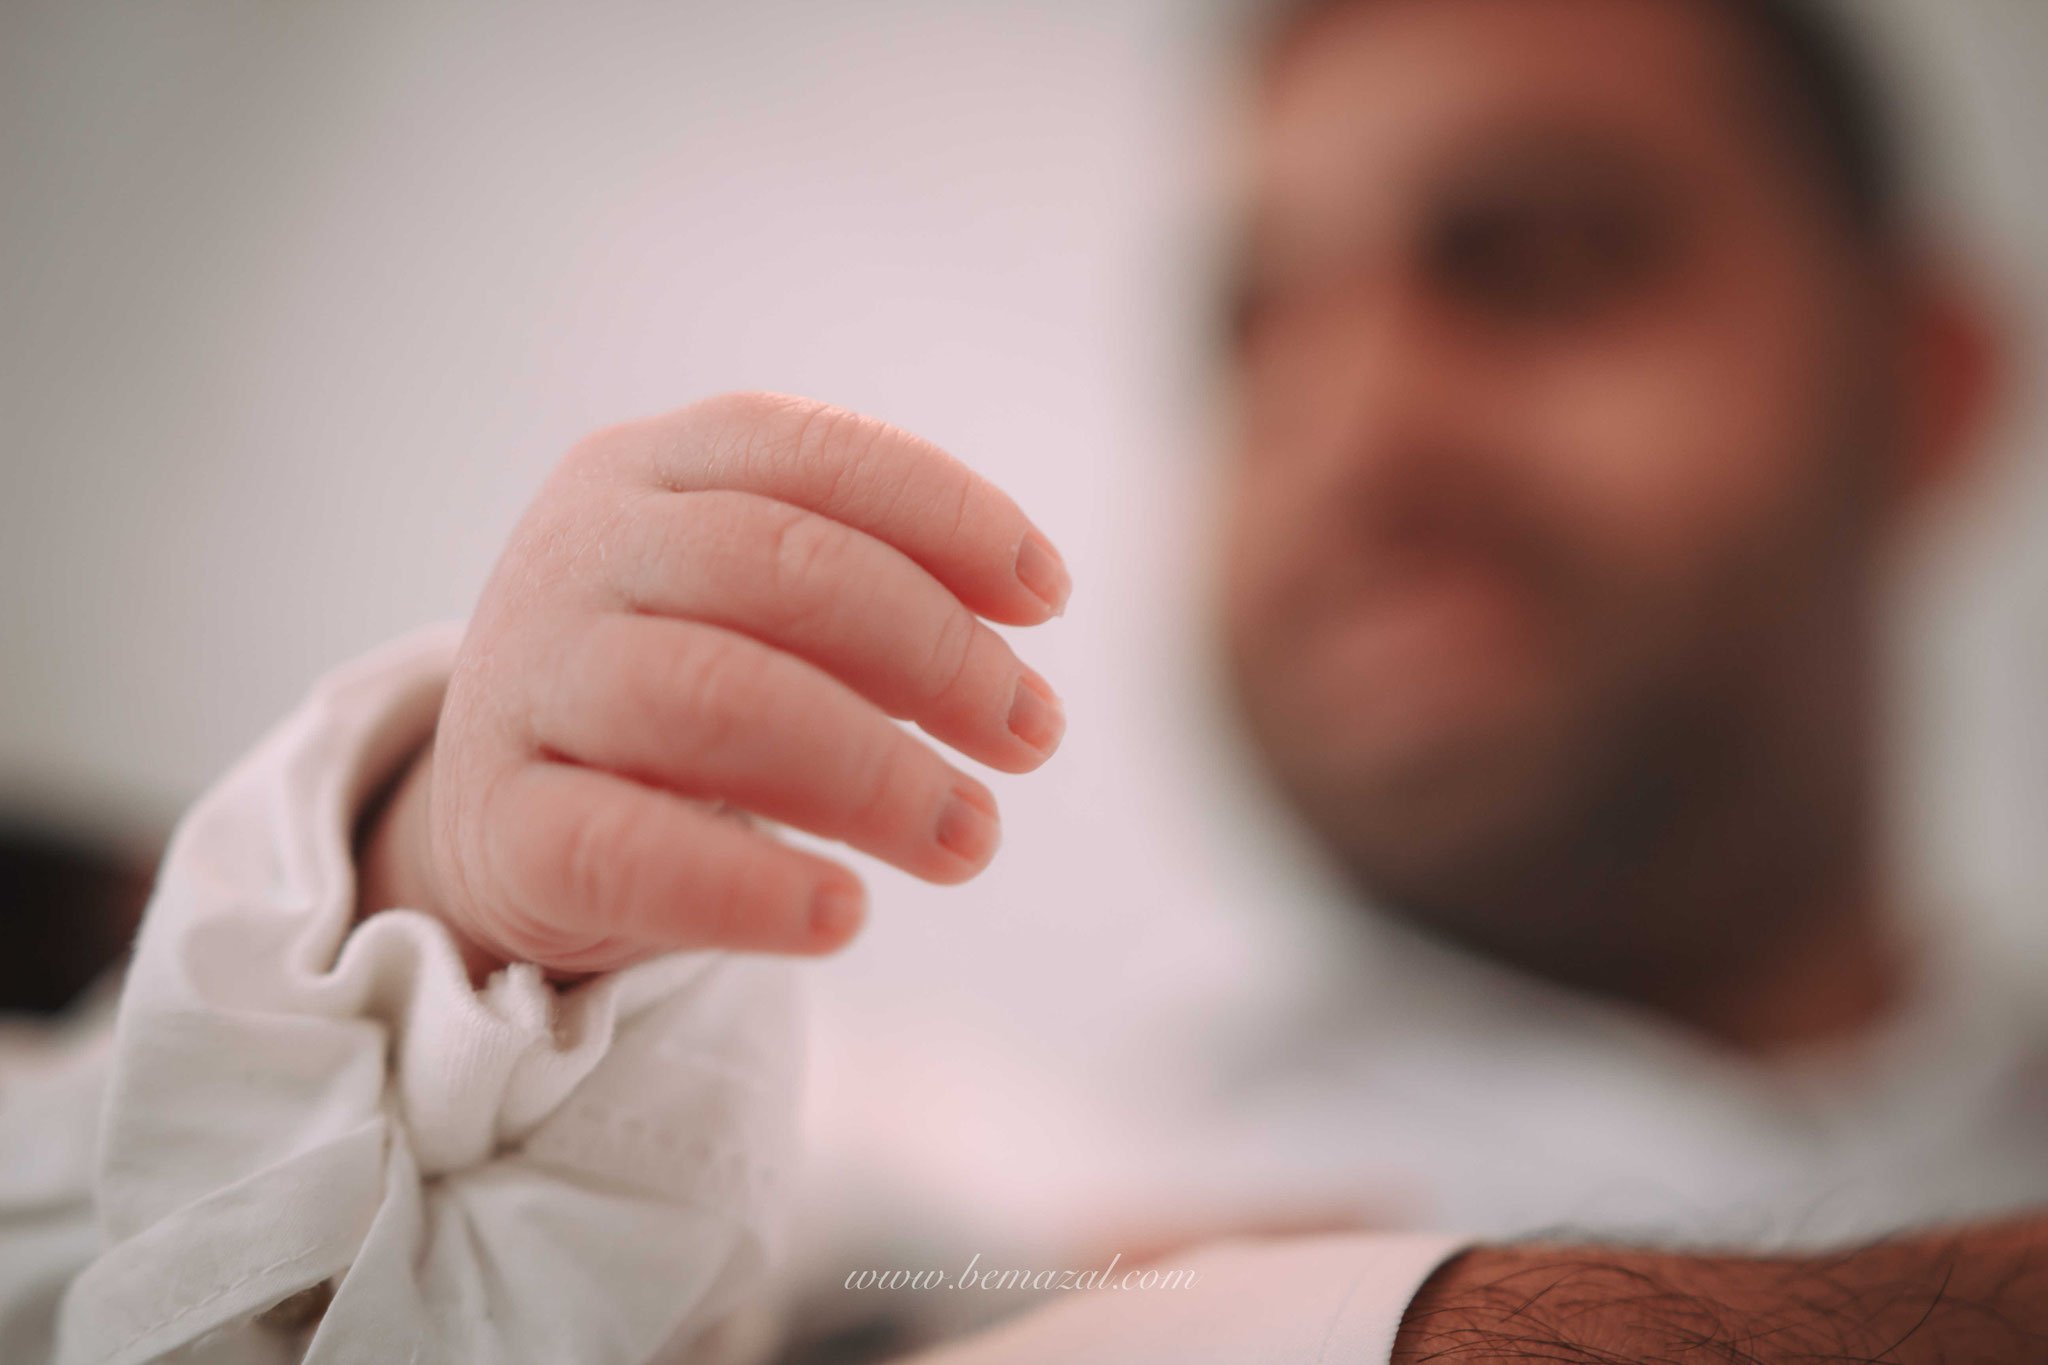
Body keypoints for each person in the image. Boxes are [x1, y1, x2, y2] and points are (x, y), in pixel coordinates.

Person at [3, 0, 2045, 1362]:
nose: (1347, 431)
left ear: (1924, 383)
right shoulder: (925, 1189)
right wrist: (433, 903)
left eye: (1539, 256)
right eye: (1256, 332)